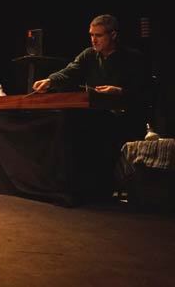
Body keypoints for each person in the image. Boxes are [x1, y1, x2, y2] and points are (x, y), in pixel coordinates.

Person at [32, 13, 151, 200]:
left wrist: (119, 91)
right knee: (67, 123)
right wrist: (49, 80)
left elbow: (144, 91)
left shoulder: (132, 58)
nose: (93, 40)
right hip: (96, 114)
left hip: (124, 117)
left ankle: (101, 189)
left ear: (113, 35)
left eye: (99, 35)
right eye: (91, 35)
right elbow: (70, 71)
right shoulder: (89, 55)